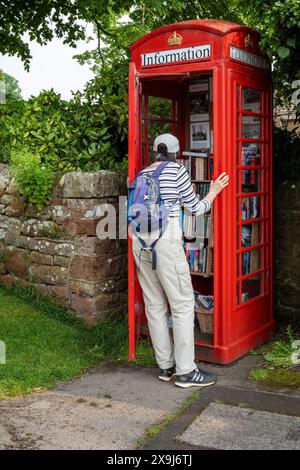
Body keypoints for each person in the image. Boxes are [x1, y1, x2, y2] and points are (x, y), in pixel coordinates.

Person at [131, 134, 229, 388]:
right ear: (176, 153)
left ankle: (166, 366)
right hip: (166, 239)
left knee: (154, 305)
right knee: (183, 304)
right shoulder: (177, 171)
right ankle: (186, 371)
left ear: (155, 152)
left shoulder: (143, 173)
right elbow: (195, 208)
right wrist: (215, 190)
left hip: (139, 242)